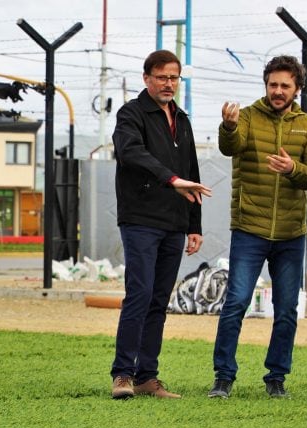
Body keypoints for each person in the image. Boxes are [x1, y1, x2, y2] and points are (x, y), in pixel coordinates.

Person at [208, 55, 307, 400]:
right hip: (249, 228)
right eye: (272, 84)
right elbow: (230, 146)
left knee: (287, 309)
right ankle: (223, 377)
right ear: (266, 85)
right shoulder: (245, 117)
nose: (277, 91)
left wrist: (293, 168)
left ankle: (276, 378)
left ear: (297, 89)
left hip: (292, 233)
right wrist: (228, 127)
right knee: (236, 303)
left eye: (284, 86)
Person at [110, 49, 212, 400]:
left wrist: (194, 225)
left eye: (174, 77)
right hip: (140, 220)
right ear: (147, 79)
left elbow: (192, 173)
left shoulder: (181, 119)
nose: (169, 83)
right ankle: (122, 374)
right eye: (162, 77)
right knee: (139, 294)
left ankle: (147, 377)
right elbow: (130, 153)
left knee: (158, 300)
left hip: (174, 222)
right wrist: (170, 179)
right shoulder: (131, 114)